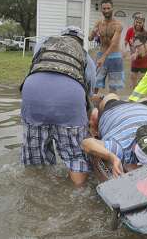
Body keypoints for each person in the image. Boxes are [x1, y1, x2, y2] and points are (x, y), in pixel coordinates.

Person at [20, 26, 96, 187]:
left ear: (61, 36)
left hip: (33, 93)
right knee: (75, 155)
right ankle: (77, 193)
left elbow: (35, 66)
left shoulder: (44, 44)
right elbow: (88, 92)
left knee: (35, 156)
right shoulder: (85, 56)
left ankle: (35, 190)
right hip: (70, 98)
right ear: (81, 42)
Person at [82, 93, 147, 178]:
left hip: (146, 109)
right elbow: (86, 143)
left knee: (145, 99)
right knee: (109, 98)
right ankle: (98, 120)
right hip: (116, 109)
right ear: (134, 148)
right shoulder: (121, 147)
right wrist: (112, 157)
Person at [88, 0, 124, 94]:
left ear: (112, 8)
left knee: (113, 85)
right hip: (101, 54)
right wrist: (93, 32)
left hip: (115, 56)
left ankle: (112, 104)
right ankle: (92, 104)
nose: (106, 11)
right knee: (95, 81)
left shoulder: (118, 25)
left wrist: (104, 57)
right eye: (104, 8)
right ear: (101, 9)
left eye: (108, 8)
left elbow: (114, 44)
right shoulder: (99, 23)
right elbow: (90, 38)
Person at [124, 13, 147, 89]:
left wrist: (138, 52)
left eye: (140, 22)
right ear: (134, 22)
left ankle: (140, 95)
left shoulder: (146, 34)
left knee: (142, 80)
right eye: (137, 22)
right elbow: (126, 41)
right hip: (134, 60)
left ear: (143, 23)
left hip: (144, 60)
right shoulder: (130, 31)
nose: (138, 24)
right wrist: (125, 51)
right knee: (133, 78)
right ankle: (134, 93)